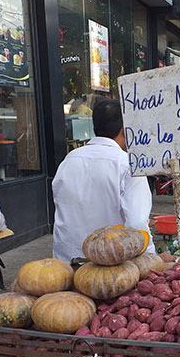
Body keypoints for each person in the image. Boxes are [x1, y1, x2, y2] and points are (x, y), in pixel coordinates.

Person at [52, 98, 154, 262]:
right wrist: (151, 259)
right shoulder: (128, 165)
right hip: (109, 264)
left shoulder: (69, 160)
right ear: (124, 130)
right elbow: (137, 225)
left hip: (66, 262)